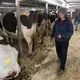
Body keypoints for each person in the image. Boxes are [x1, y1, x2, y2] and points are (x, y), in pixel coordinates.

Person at [49, 8, 73, 75]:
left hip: (64, 41)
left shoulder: (68, 22)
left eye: (61, 13)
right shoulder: (57, 21)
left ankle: (62, 68)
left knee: (63, 53)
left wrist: (62, 35)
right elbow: (54, 29)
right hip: (57, 40)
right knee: (58, 51)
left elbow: (71, 32)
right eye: (59, 13)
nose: (59, 14)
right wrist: (51, 36)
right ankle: (59, 58)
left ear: (64, 14)